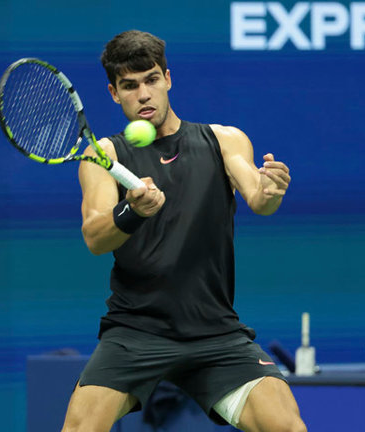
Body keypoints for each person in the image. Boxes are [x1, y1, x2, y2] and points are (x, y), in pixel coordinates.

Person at [62, 30, 306, 432]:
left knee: (288, 427)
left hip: (214, 332)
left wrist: (272, 190)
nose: (143, 94)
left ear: (168, 79)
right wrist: (132, 212)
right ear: (113, 93)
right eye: (130, 85)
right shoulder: (103, 154)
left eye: (152, 80)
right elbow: (95, 236)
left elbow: (259, 199)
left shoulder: (224, 140)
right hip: (136, 331)